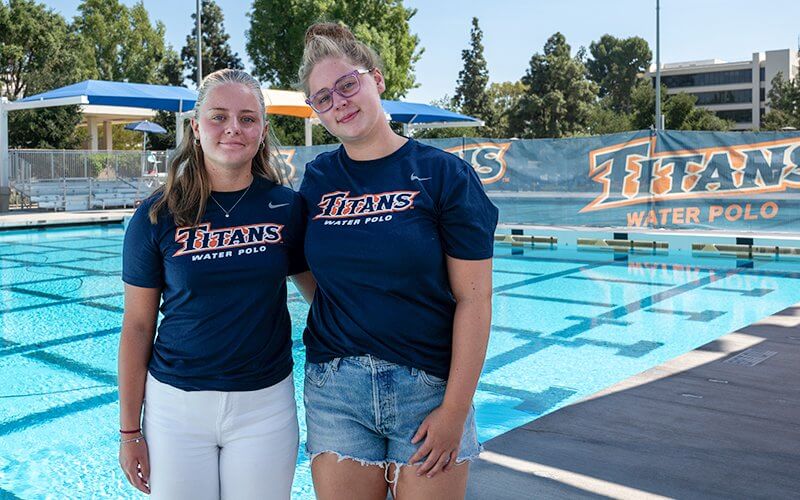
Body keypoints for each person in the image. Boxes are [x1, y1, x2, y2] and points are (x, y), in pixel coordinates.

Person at [295, 23, 499, 500]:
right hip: (335, 389)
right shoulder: (319, 178)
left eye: (348, 84)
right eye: (323, 97)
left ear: (377, 80)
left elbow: (475, 300)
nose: (339, 101)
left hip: (427, 386)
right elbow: (304, 265)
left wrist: (455, 410)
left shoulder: (444, 175)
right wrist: (344, 306)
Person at [117, 68, 310, 500]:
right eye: (218, 116)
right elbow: (137, 328)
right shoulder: (156, 216)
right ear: (195, 127)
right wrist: (130, 431)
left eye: (247, 118)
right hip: (175, 409)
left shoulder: (286, 207)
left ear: (262, 131)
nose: (233, 129)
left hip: (265, 405)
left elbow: (320, 295)